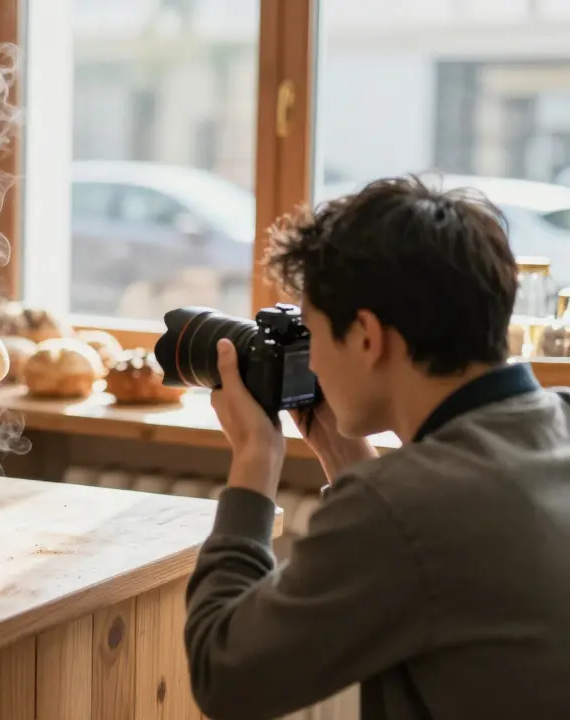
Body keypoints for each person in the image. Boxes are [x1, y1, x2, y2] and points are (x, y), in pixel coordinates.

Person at [185, 175, 570, 719]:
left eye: (314, 336)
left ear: (367, 337)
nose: (312, 362)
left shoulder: (406, 506)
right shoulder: (557, 423)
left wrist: (253, 458)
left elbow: (223, 677)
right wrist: (345, 456)